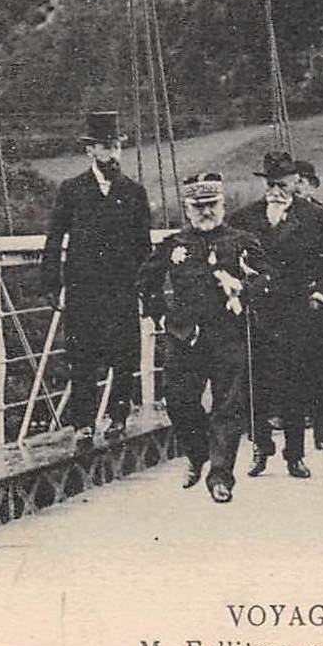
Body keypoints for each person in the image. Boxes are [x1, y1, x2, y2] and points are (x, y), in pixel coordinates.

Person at [137, 173, 272, 502]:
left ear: (223, 205)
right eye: (198, 207)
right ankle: (198, 455)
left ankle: (220, 476)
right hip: (184, 337)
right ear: (187, 209)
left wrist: (244, 287)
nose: (206, 212)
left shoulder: (243, 242)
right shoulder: (173, 245)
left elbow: (269, 278)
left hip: (229, 335)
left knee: (228, 405)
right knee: (179, 402)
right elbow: (146, 282)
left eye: (211, 205)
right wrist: (163, 315)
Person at [40, 111, 152, 452]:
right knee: (83, 356)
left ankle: (119, 416)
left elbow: (143, 245)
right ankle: (84, 424)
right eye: (106, 148)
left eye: (117, 147)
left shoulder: (133, 192)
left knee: (124, 355)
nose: (113, 155)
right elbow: (54, 237)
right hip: (83, 288)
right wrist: (51, 281)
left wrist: (147, 287)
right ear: (91, 151)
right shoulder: (72, 190)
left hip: (121, 287)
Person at [231, 151, 323, 479]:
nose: (277, 191)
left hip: (297, 311)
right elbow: (227, 258)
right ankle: (261, 447)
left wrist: (320, 292)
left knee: (296, 384)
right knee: (256, 384)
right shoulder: (244, 219)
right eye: (272, 184)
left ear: (296, 184)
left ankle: (295, 455)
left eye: (284, 184)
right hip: (257, 311)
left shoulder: (315, 217)